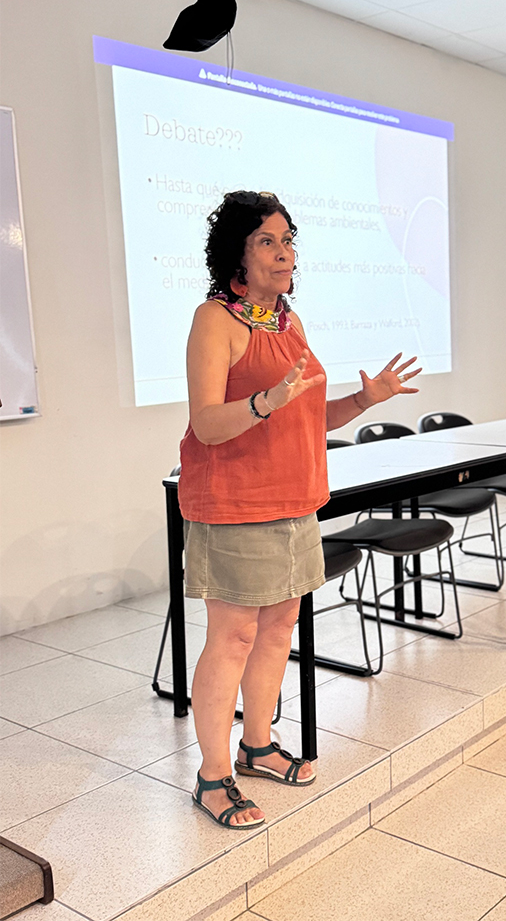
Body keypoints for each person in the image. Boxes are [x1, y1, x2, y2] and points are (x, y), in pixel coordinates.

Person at [179, 190, 421, 829]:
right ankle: (211, 776)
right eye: (268, 241)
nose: (284, 253)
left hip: (295, 496)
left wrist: (364, 401)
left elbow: (307, 417)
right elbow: (206, 424)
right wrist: (265, 400)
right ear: (237, 252)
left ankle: (256, 744)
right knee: (231, 636)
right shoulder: (215, 321)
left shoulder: (290, 322)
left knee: (278, 631)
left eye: (288, 241)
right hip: (234, 501)